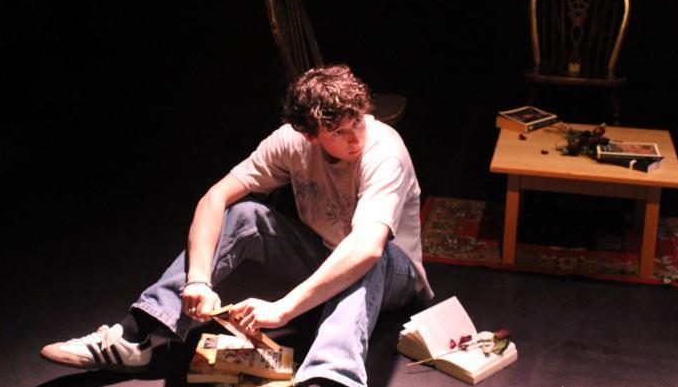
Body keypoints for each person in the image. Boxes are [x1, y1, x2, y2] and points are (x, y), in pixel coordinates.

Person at [41, 64, 434, 387]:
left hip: (395, 278)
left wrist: (282, 310)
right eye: (339, 133)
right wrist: (197, 280)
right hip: (327, 256)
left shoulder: (385, 152)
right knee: (247, 215)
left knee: (367, 255)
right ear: (311, 137)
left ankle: (329, 378)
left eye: (358, 123)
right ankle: (135, 335)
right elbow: (215, 198)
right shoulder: (290, 143)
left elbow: (365, 247)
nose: (355, 139)